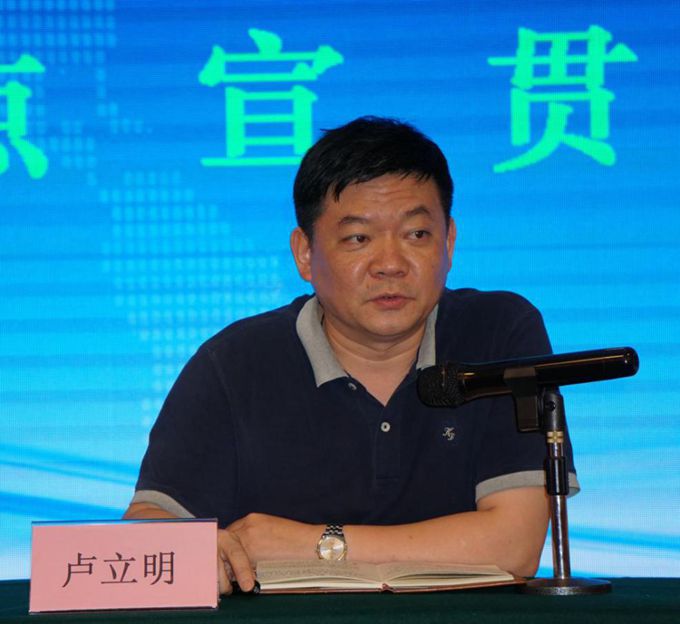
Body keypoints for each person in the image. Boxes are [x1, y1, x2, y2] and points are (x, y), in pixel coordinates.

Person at [124, 116, 578, 594]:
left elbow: (514, 546)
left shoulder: (498, 333)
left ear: (449, 241)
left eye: (417, 235)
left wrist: (312, 544)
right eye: (358, 238)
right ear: (304, 253)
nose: (390, 265)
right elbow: (146, 527)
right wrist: (197, 548)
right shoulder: (235, 362)